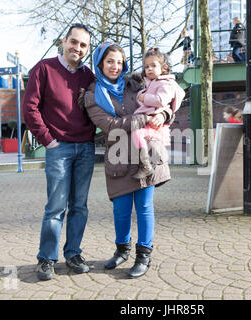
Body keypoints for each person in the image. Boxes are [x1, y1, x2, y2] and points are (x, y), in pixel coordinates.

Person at [78, 42, 173, 278]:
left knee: (144, 207)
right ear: (100, 63)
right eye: (110, 61)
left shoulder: (136, 83)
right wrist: (144, 119)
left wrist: (163, 114)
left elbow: (167, 97)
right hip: (118, 157)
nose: (115, 66)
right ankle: (122, 250)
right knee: (120, 211)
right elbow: (109, 126)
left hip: (146, 157)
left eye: (120, 62)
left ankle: (144, 256)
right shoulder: (91, 95)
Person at [22, 24, 96, 281]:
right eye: (73, 42)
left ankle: (73, 254)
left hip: (85, 148)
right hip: (58, 148)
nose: (77, 48)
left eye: (83, 45)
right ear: (64, 41)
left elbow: (99, 107)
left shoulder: (89, 76)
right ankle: (46, 259)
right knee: (55, 207)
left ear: (87, 49)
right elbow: (29, 108)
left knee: (80, 206)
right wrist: (48, 141)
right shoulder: (43, 69)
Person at [132, 48, 185, 179]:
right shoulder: (150, 82)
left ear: (163, 68)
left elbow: (161, 100)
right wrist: (141, 95)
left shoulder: (166, 83)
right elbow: (143, 98)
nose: (149, 69)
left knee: (139, 135)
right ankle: (146, 163)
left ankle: (146, 165)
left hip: (153, 121)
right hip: (147, 118)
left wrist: (144, 97)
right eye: (146, 66)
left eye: (153, 65)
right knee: (138, 136)